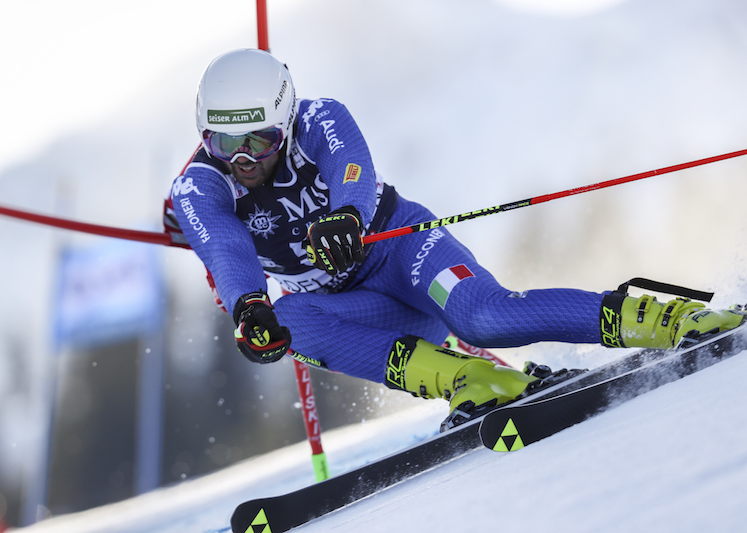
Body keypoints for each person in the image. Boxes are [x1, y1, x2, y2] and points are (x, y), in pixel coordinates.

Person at [167, 48, 745, 430]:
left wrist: (346, 216)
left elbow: (352, 167)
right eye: (224, 143)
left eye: (261, 142)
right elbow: (224, 245)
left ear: (285, 121)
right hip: (362, 310)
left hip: (402, 254)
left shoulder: (320, 118)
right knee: (289, 321)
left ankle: (667, 319)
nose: (243, 159)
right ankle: (472, 379)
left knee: (485, 318)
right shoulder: (197, 186)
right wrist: (249, 306)